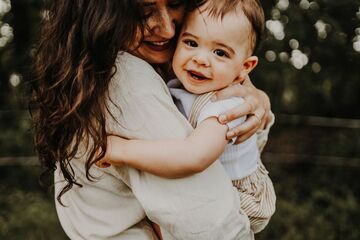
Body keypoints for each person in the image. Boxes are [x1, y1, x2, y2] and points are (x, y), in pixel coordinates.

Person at [30, 0, 273, 239]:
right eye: (144, 10)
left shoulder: (90, 72)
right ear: (103, 11)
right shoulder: (126, 78)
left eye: (176, 4)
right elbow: (210, 224)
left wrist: (255, 99)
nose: (167, 29)